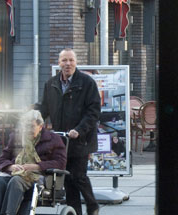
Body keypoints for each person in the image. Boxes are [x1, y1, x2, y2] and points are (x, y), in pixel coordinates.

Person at [37, 48, 101, 215]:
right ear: (59, 63)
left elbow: (93, 111)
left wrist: (79, 130)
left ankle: (92, 205)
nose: (68, 64)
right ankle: (75, 211)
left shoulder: (87, 83)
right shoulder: (51, 84)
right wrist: (31, 118)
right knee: (68, 179)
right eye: (64, 60)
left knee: (79, 176)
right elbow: (44, 108)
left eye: (71, 60)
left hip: (81, 139)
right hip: (61, 141)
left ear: (76, 62)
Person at [0, 110, 67, 215]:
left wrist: (36, 166)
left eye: (32, 126)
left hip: (38, 175)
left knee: (16, 181)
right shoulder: (16, 137)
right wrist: (10, 166)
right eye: (26, 126)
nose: (28, 130)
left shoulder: (53, 139)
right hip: (14, 173)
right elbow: (1, 160)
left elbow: (60, 163)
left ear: (40, 126)